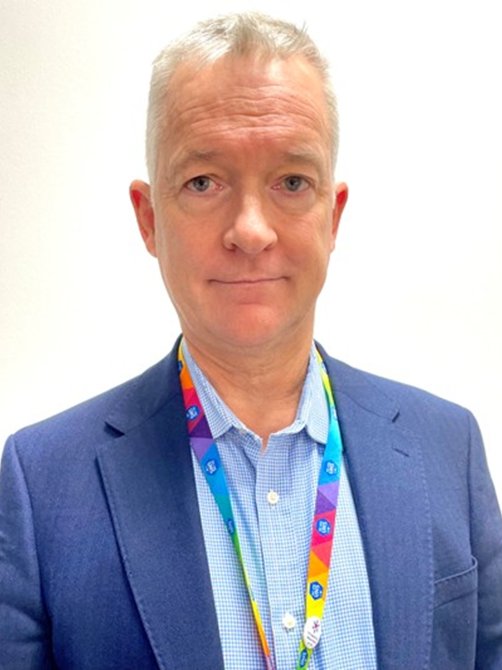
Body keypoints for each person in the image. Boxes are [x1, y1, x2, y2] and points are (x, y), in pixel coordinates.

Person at [0, 12, 501, 670]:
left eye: (291, 182)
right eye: (204, 182)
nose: (251, 230)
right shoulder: (42, 487)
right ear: (149, 220)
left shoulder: (448, 450)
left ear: (332, 215)